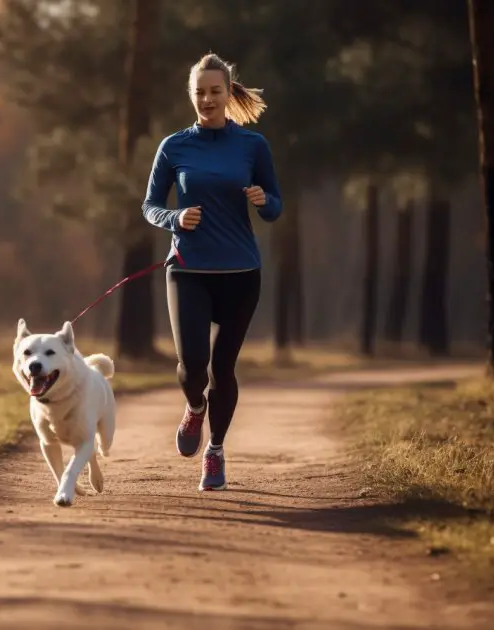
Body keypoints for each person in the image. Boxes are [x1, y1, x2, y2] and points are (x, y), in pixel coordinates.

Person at [140, 52, 282, 491]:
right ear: (192, 95)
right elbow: (150, 206)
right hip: (188, 269)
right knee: (193, 365)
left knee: (224, 368)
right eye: (199, 92)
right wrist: (174, 219)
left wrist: (262, 200)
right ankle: (194, 409)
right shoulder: (174, 146)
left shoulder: (253, 145)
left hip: (241, 271)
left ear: (227, 93)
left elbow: (276, 207)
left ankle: (215, 450)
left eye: (215, 91)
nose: (207, 99)